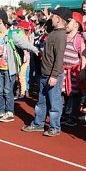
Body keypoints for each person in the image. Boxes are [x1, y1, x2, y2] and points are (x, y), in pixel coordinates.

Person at [0, 9, 39, 122]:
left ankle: (9, 112)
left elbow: (23, 44)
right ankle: (0, 110)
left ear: (0, 21)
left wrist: (34, 49)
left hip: (10, 69)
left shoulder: (11, 35)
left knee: (7, 90)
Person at [22, 7, 71, 137]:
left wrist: (54, 75)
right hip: (45, 73)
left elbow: (59, 58)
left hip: (52, 74)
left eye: (53, 16)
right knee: (41, 101)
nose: (51, 18)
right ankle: (38, 123)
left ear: (58, 19)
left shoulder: (60, 36)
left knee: (54, 102)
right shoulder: (54, 32)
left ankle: (55, 127)